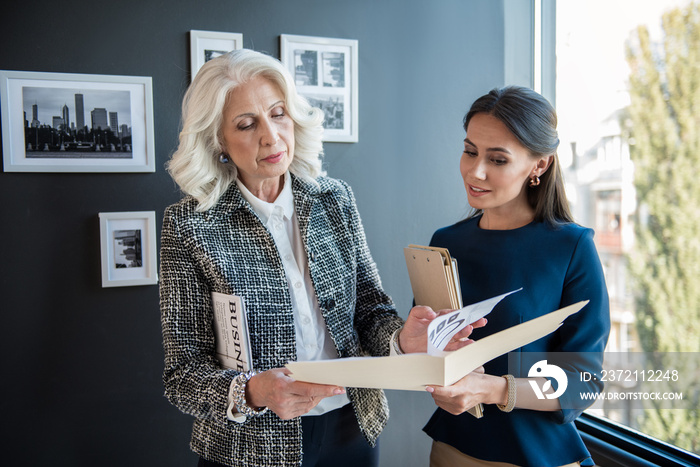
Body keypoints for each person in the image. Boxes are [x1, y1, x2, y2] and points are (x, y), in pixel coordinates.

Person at [159, 49, 471, 467]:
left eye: (278, 114)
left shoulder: (334, 199)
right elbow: (183, 373)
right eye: (247, 124)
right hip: (250, 446)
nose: (271, 136)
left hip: (352, 428)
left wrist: (403, 340)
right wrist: (254, 391)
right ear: (218, 141)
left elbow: (370, 310)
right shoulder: (188, 225)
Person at [420, 86, 611, 467]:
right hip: (451, 450)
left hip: (537, 456)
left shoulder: (572, 247)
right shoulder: (444, 244)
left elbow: (584, 382)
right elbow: (426, 350)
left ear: (539, 165)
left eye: (498, 159)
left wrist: (492, 389)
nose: (475, 171)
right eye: (470, 151)